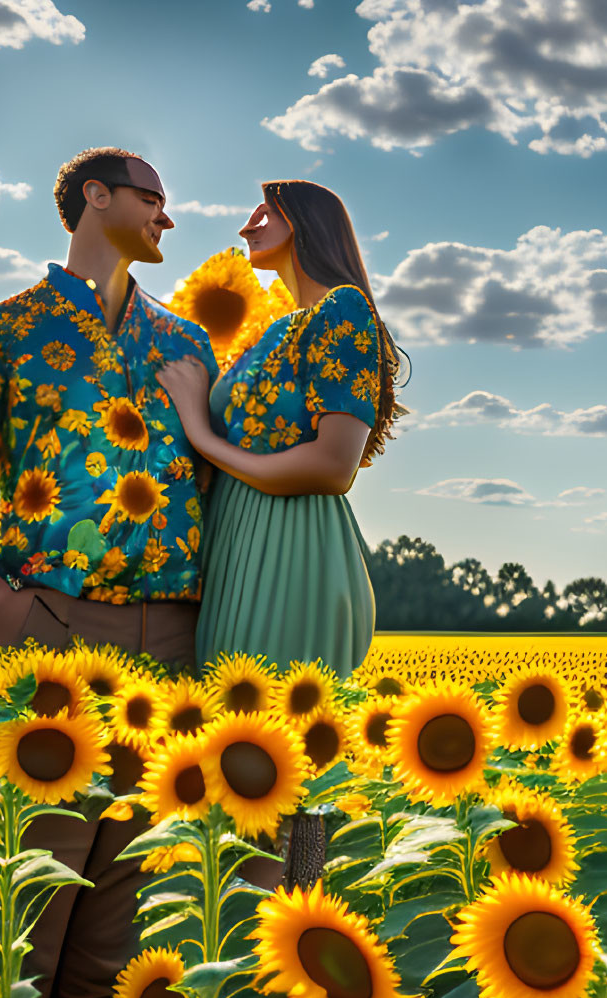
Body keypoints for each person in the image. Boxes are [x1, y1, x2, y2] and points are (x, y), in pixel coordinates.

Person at [0, 145, 219, 998]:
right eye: (151, 197)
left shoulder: (186, 344)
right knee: (17, 936)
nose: (167, 218)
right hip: (46, 637)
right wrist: (2, 607)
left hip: (166, 649)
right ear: (94, 196)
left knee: (108, 950)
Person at [156, 178, 408, 887]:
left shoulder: (344, 311)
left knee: (275, 768)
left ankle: (277, 951)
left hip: (294, 552)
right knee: (238, 773)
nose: (246, 225)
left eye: (264, 211)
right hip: (241, 551)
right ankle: (248, 952)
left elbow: (333, 466)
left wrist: (204, 435)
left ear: (307, 223)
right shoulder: (274, 329)